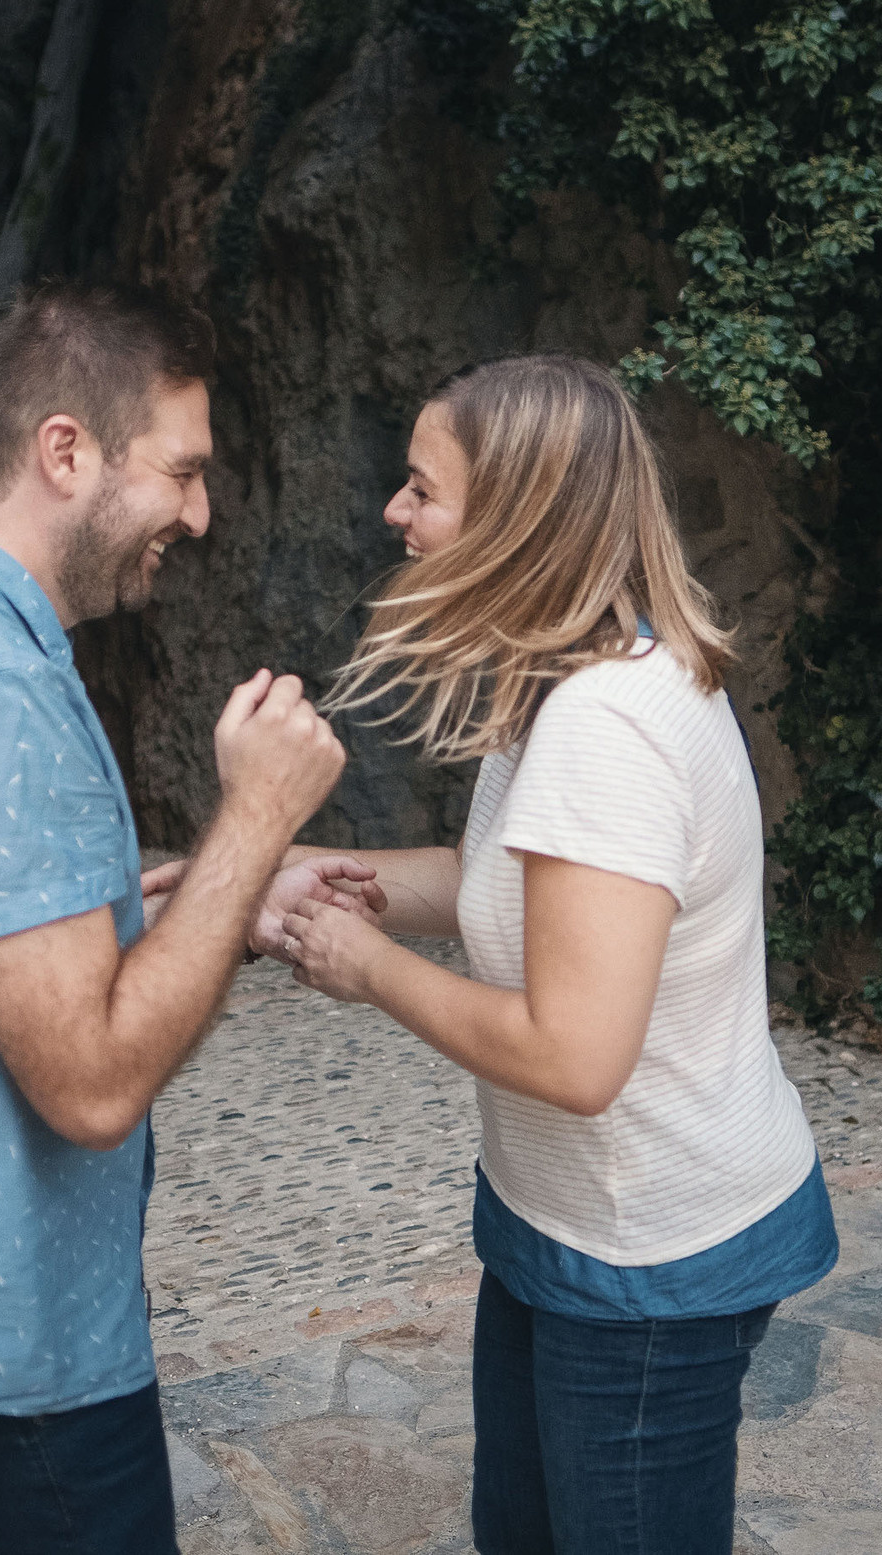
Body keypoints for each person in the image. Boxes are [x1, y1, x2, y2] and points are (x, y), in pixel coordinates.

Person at [0, 278, 373, 1554]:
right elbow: (90, 1083)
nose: (200, 515)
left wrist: (223, 891)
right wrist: (255, 818)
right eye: (184, 471)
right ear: (64, 451)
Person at [274, 355, 840, 1555]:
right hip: (562, 1227)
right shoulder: (569, 676)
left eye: (421, 489)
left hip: (648, 1262)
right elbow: (516, 887)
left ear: (514, 520)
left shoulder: (606, 728)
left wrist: (365, 966)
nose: (396, 511)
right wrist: (325, 877)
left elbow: (577, 1055)